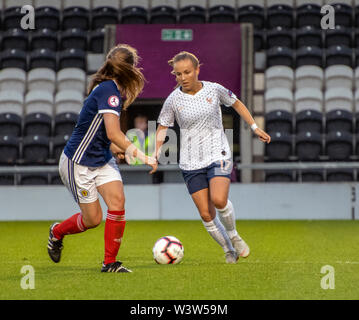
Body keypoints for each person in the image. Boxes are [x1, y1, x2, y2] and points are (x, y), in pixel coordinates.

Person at [47, 44, 158, 273]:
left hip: (101, 158)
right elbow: (113, 133)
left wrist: (115, 148)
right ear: (130, 69)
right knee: (93, 220)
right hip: (78, 162)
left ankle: (110, 263)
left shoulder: (109, 89)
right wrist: (143, 156)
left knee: (117, 202)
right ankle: (57, 232)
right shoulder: (109, 91)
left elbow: (104, 133)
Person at [156, 51, 271, 264]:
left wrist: (254, 127)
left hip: (218, 152)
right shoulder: (173, 100)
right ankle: (229, 250)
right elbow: (163, 126)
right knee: (206, 215)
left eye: (187, 72)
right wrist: (156, 153)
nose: (183, 77)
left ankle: (234, 236)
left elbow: (236, 103)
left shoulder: (214, 89)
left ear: (197, 70)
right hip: (190, 161)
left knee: (219, 200)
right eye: (178, 74)